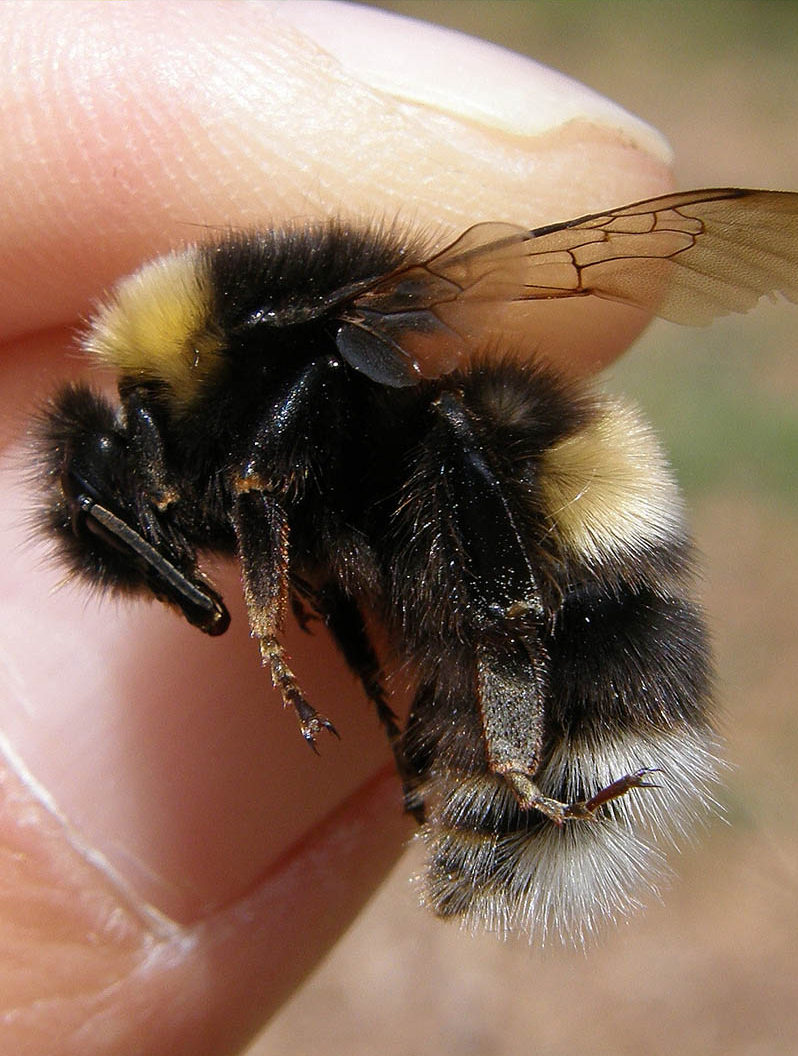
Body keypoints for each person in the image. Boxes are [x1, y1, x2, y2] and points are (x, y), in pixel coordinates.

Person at [0, 2, 673, 1052]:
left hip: (552, 542)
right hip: (505, 536)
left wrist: (270, 631)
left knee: (435, 441)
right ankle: (478, 779)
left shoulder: (256, 378)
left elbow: (270, 479)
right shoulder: (267, 417)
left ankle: (512, 752)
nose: (181, 548)